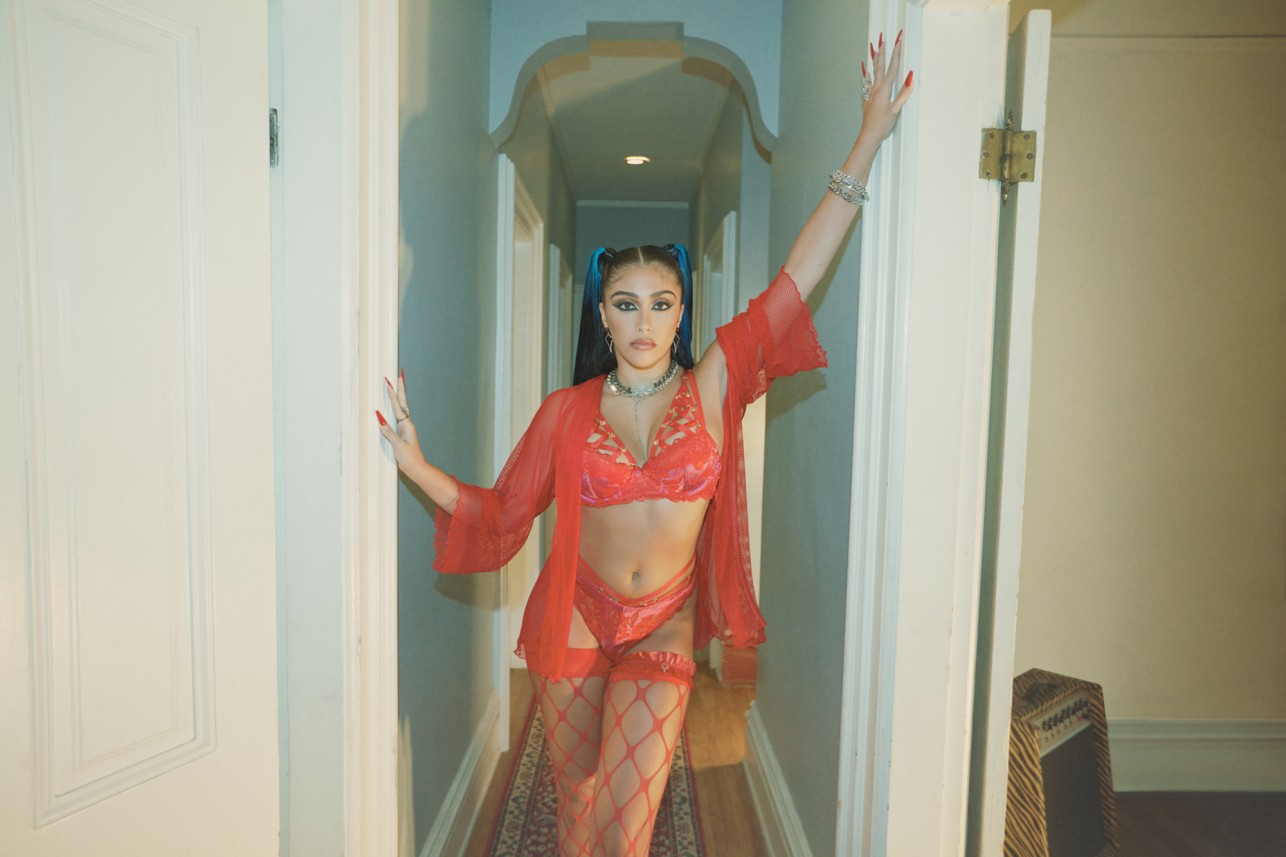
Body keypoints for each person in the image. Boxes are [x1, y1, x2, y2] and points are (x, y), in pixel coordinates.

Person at [377, 35, 913, 857]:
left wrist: (868, 137)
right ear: (602, 315)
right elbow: (502, 510)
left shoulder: (717, 382)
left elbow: (798, 277)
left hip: (664, 623)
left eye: (661, 304)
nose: (643, 321)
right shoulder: (566, 411)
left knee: (625, 832)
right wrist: (416, 465)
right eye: (625, 304)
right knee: (579, 806)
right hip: (573, 615)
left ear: (681, 312)